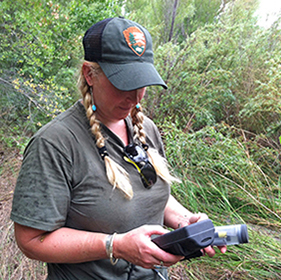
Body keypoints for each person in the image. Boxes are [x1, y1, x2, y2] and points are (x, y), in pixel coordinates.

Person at [10, 17, 226, 280]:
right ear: (90, 74)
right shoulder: (55, 144)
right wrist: (115, 246)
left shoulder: (146, 129)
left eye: (141, 83)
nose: (135, 97)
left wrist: (186, 222)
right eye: (123, 83)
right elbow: (31, 240)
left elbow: (149, 192)